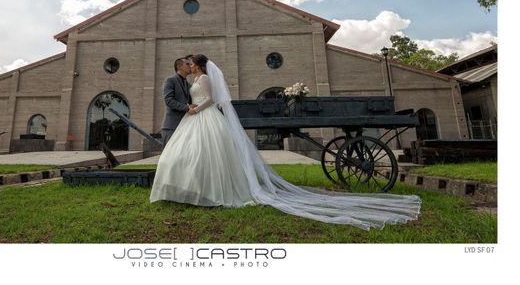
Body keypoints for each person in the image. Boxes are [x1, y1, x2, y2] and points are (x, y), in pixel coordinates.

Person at [150, 54, 422, 231]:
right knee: (196, 155)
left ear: (196, 65)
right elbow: (185, 98)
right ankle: (194, 188)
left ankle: (211, 190)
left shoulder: (205, 78)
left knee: (209, 154)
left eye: (190, 63)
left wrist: (196, 108)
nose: (188, 66)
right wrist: (192, 108)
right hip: (195, 118)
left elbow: (210, 99)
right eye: (186, 64)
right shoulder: (191, 79)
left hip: (202, 115)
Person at [160, 56, 193, 147]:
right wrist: (187, 108)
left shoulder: (188, 85)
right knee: (169, 158)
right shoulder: (170, 80)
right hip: (171, 126)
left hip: (185, 125)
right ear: (179, 67)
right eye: (187, 64)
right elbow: (168, 101)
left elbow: (191, 102)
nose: (190, 66)